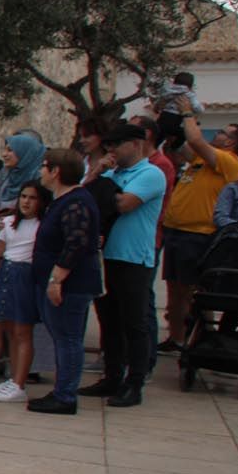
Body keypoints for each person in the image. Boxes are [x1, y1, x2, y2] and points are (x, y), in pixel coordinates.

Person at [80, 123, 166, 407]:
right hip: (107, 256)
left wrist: (101, 188)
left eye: (117, 145)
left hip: (133, 257)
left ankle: (135, 382)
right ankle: (112, 375)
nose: (112, 151)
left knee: (135, 323)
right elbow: (82, 197)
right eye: (109, 145)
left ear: (136, 144)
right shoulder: (111, 173)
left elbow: (125, 203)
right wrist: (96, 173)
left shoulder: (150, 173)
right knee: (110, 321)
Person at [160, 113, 238, 352]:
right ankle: (175, 338)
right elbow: (184, 147)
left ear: (232, 143)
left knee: (190, 291)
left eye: (223, 133)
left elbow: (196, 141)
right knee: (174, 289)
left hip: (197, 234)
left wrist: (188, 113)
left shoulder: (228, 161)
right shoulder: (201, 161)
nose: (216, 135)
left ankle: (197, 339)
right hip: (177, 231)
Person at [29, 148, 103, 415]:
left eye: (44, 166)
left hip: (71, 284)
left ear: (56, 171)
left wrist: (57, 278)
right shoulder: (62, 200)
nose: (41, 171)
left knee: (69, 338)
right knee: (62, 337)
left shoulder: (76, 202)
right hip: (53, 279)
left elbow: (77, 242)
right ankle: (63, 388)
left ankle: (66, 395)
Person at [0, 181, 45, 403]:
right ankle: (14, 378)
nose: (26, 201)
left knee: (22, 332)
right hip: (7, 272)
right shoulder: (9, 223)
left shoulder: (42, 225)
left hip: (24, 275)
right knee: (9, 330)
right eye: (23, 196)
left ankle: (19, 383)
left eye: (32, 198)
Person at [150, 71, 201, 146]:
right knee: (184, 134)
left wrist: (157, 108)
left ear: (174, 82)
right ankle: (174, 148)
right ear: (190, 86)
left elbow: (159, 102)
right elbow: (198, 108)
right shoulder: (189, 94)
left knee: (156, 140)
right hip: (174, 120)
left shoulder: (167, 90)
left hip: (163, 118)